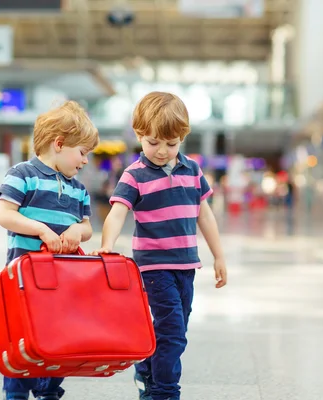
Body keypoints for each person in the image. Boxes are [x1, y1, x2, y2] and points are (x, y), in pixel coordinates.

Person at [91, 92, 228, 400]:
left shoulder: (192, 170)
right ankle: (165, 392)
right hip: (154, 268)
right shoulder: (135, 174)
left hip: (186, 266)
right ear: (139, 135)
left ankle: (146, 369)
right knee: (173, 335)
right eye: (153, 143)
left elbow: (203, 214)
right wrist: (107, 245)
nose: (163, 151)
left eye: (172, 143)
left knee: (175, 331)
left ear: (182, 138)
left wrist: (219, 256)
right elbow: (117, 213)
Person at [0, 100, 99, 400]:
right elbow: (5, 215)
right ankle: (17, 393)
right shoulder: (22, 174)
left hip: (61, 284)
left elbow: (87, 227)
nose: (85, 161)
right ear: (59, 144)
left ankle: (49, 391)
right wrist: (42, 229)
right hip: (23, 284)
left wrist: (76, 231)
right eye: (82, 153)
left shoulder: (78, 189)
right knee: (22, 341)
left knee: (57, 342)